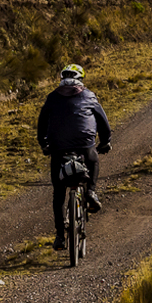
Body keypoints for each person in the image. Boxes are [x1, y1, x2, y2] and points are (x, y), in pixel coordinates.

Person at [36, 64, 111, 250]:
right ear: (81, 80)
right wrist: (105, 141)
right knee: (93, 158)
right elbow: (103, 121)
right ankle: (91, 191)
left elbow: (42, 122)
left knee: (58, 194)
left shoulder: (52, 97)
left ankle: (60, 237)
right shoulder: (89, 95)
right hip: (84, 144)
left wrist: (44, 144)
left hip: (58, 148)